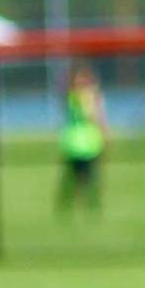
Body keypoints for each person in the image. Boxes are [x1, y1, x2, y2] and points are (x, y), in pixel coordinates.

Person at [58, 66, 107, 214]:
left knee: (86, 175)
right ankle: (81, 204)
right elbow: (93, 116)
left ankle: (84, 204)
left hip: (86, 142)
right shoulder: (79, 97)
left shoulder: (78, 97)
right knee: (81, 175)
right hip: (80, 142)